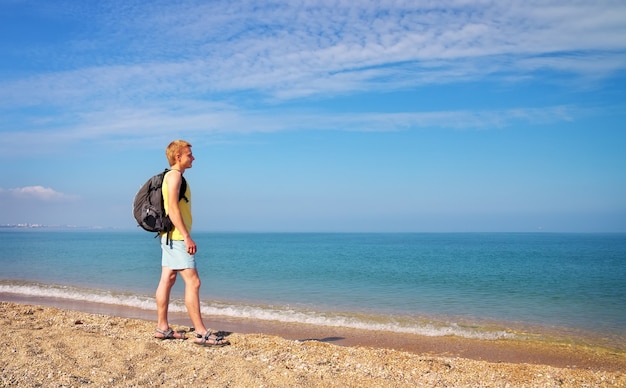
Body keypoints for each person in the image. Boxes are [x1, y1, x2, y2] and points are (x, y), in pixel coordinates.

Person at [154, 140, 229, 346]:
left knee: (167, 279)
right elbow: (172, 208)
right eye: (189, 154)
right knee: (193, 282)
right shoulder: (175, 176)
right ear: (178, 157)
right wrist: (186, 236)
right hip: (177, 237)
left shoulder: (169, 176)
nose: (193, 158)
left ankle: (162, 328)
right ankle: (201, 332)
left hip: (167, 235)